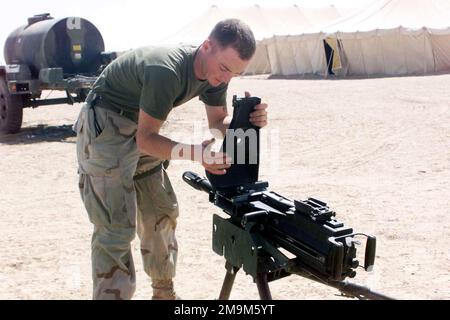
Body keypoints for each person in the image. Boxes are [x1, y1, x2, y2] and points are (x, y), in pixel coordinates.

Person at [74, 18, 268, 300]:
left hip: (142, 127)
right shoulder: (166, 69)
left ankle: (164, 294)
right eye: (225, 68)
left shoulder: (215, 74)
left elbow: (217, 123)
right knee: (115, 228)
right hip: (106, 127)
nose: (226, 79)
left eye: (234, 74)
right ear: (207, 46)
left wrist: (246, 120)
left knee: (160, 213)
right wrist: (195, 154)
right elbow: (146, 139)